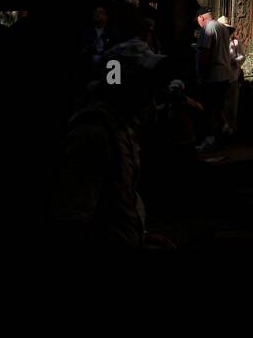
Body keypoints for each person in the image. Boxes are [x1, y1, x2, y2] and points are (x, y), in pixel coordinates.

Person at [52, 38, 168, 247]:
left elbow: (120, 200)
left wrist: (140, 236)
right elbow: (76, 218)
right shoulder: (94, 132)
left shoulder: (121, 125)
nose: (152, 89)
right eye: (144, 79)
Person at [194, 5, 233, 152]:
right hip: (224, 73)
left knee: (209, 108)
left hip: (213, 74)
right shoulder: (222, 28)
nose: (199, 25)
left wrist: (201, 73)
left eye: (198, 22)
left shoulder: (208, 28)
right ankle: (224, 131)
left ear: (201, 18)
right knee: (218, 107)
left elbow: (205, 51)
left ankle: (210, 139)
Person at [218, 16, 245, 137]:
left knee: (232, 106)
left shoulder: (235, 42)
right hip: (219, 77)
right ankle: (222, 130)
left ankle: (231, 131)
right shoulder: (217, 43)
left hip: (233, 77)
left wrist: (235, 61)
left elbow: (242, 56)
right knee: (221, 106)